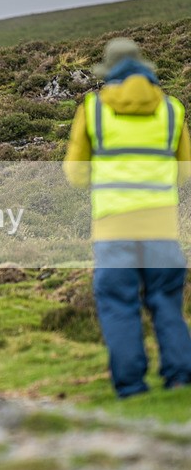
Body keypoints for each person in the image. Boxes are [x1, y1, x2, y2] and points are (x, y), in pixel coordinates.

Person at [63, 37, 191, 398]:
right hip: (162, 229)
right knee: (166, 301)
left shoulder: (93, 109)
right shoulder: (172, 110)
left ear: (109, 72)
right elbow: (185, 172)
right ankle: (180, 378)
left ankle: (132, 386)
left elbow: (75, 173)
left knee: (119, 303)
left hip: (113, 228)